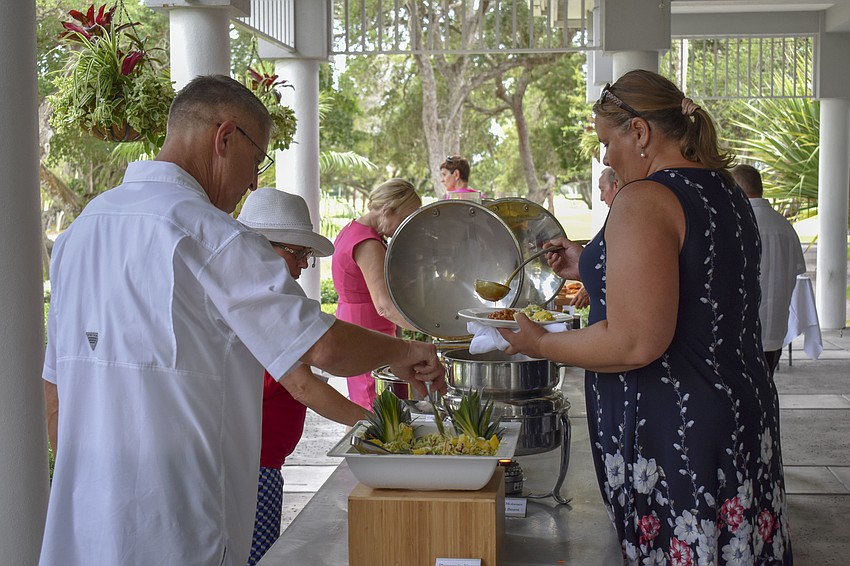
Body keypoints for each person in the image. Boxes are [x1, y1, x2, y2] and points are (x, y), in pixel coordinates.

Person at [40, 75, 445, 566]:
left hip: (85, 527)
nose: (254, 181)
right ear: (225, 137)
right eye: (257, 162)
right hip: (179, 527)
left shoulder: (80, 233)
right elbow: (322, 348)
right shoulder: (215, 235)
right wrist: (406, 352)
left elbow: (54, 394)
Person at [500, 70, 792, 564]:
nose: (607, 157)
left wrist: (537, 342)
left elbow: (634, 342)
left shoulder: (645, 197)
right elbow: (695, 285)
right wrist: (590, 264)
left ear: (639, 132)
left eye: (607, 142)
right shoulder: (726, 190)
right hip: (739, 409)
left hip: (675, 424)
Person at [236, 188, 370, 565]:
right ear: (261, 246)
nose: (300, 267)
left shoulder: (257, 294)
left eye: (305, 256)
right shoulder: (256, 298)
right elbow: (302, 384)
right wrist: (375, 426)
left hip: (263, 466)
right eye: (297, 254)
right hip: (252, 470)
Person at [332, 178, 423, 409]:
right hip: (367, 329)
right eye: (404, 219)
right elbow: (384, 306)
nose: (405, 228)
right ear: (388, 211)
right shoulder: (368, 243)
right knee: (374, 408)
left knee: (363, 402)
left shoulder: (353, 229)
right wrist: (425, 330)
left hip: (355, 324)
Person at [732, 164, 806, 378]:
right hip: (775, 328)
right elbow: (797, 269)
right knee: (766, 384)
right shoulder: (784, 226)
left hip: (742, 328)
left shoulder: (738, 222)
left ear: (737, 189)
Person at [570, 167, 622, 310]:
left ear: (616, 185)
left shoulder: (624, 221)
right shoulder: (615, 218)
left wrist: (591, 285)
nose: (600, 197)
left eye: (602, 189)